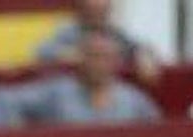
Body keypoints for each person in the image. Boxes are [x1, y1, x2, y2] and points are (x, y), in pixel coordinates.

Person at [20, 27, 161, 126]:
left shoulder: (133, 100)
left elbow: (157, 133)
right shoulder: (56, 94)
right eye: (93, 56)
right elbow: (10, 103)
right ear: (80, 59)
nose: (99, 64)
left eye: (106, 57)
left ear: (117, 62)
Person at [35, 0, 160, 84]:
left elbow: (140, 47)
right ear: (82, 9)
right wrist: (73, 55)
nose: (99, 15)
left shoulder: (115, 32)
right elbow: (43, 52)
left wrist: (144, 55)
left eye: (103, 11)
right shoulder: (69, 31)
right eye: (93, 10)